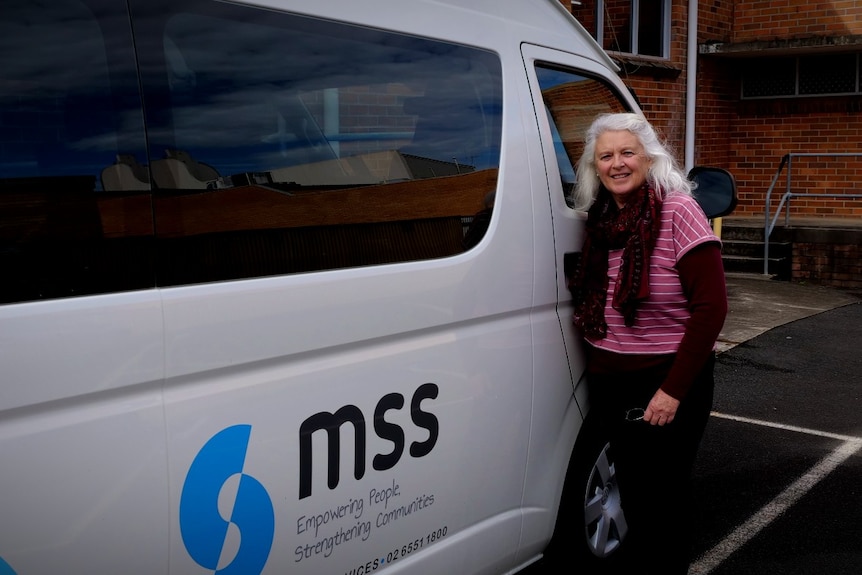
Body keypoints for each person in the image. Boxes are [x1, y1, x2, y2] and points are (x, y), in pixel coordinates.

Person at [568, 112, 727, 574]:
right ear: (594, 166)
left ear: (649, 158)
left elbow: (711, 309)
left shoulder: (678, 210)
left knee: (664, 500)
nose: (617, 163)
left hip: (668, 378)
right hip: (611, 379)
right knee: (634, 492)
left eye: (627, 152)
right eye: (606, 156)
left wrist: (673, 391)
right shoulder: (599, 219)